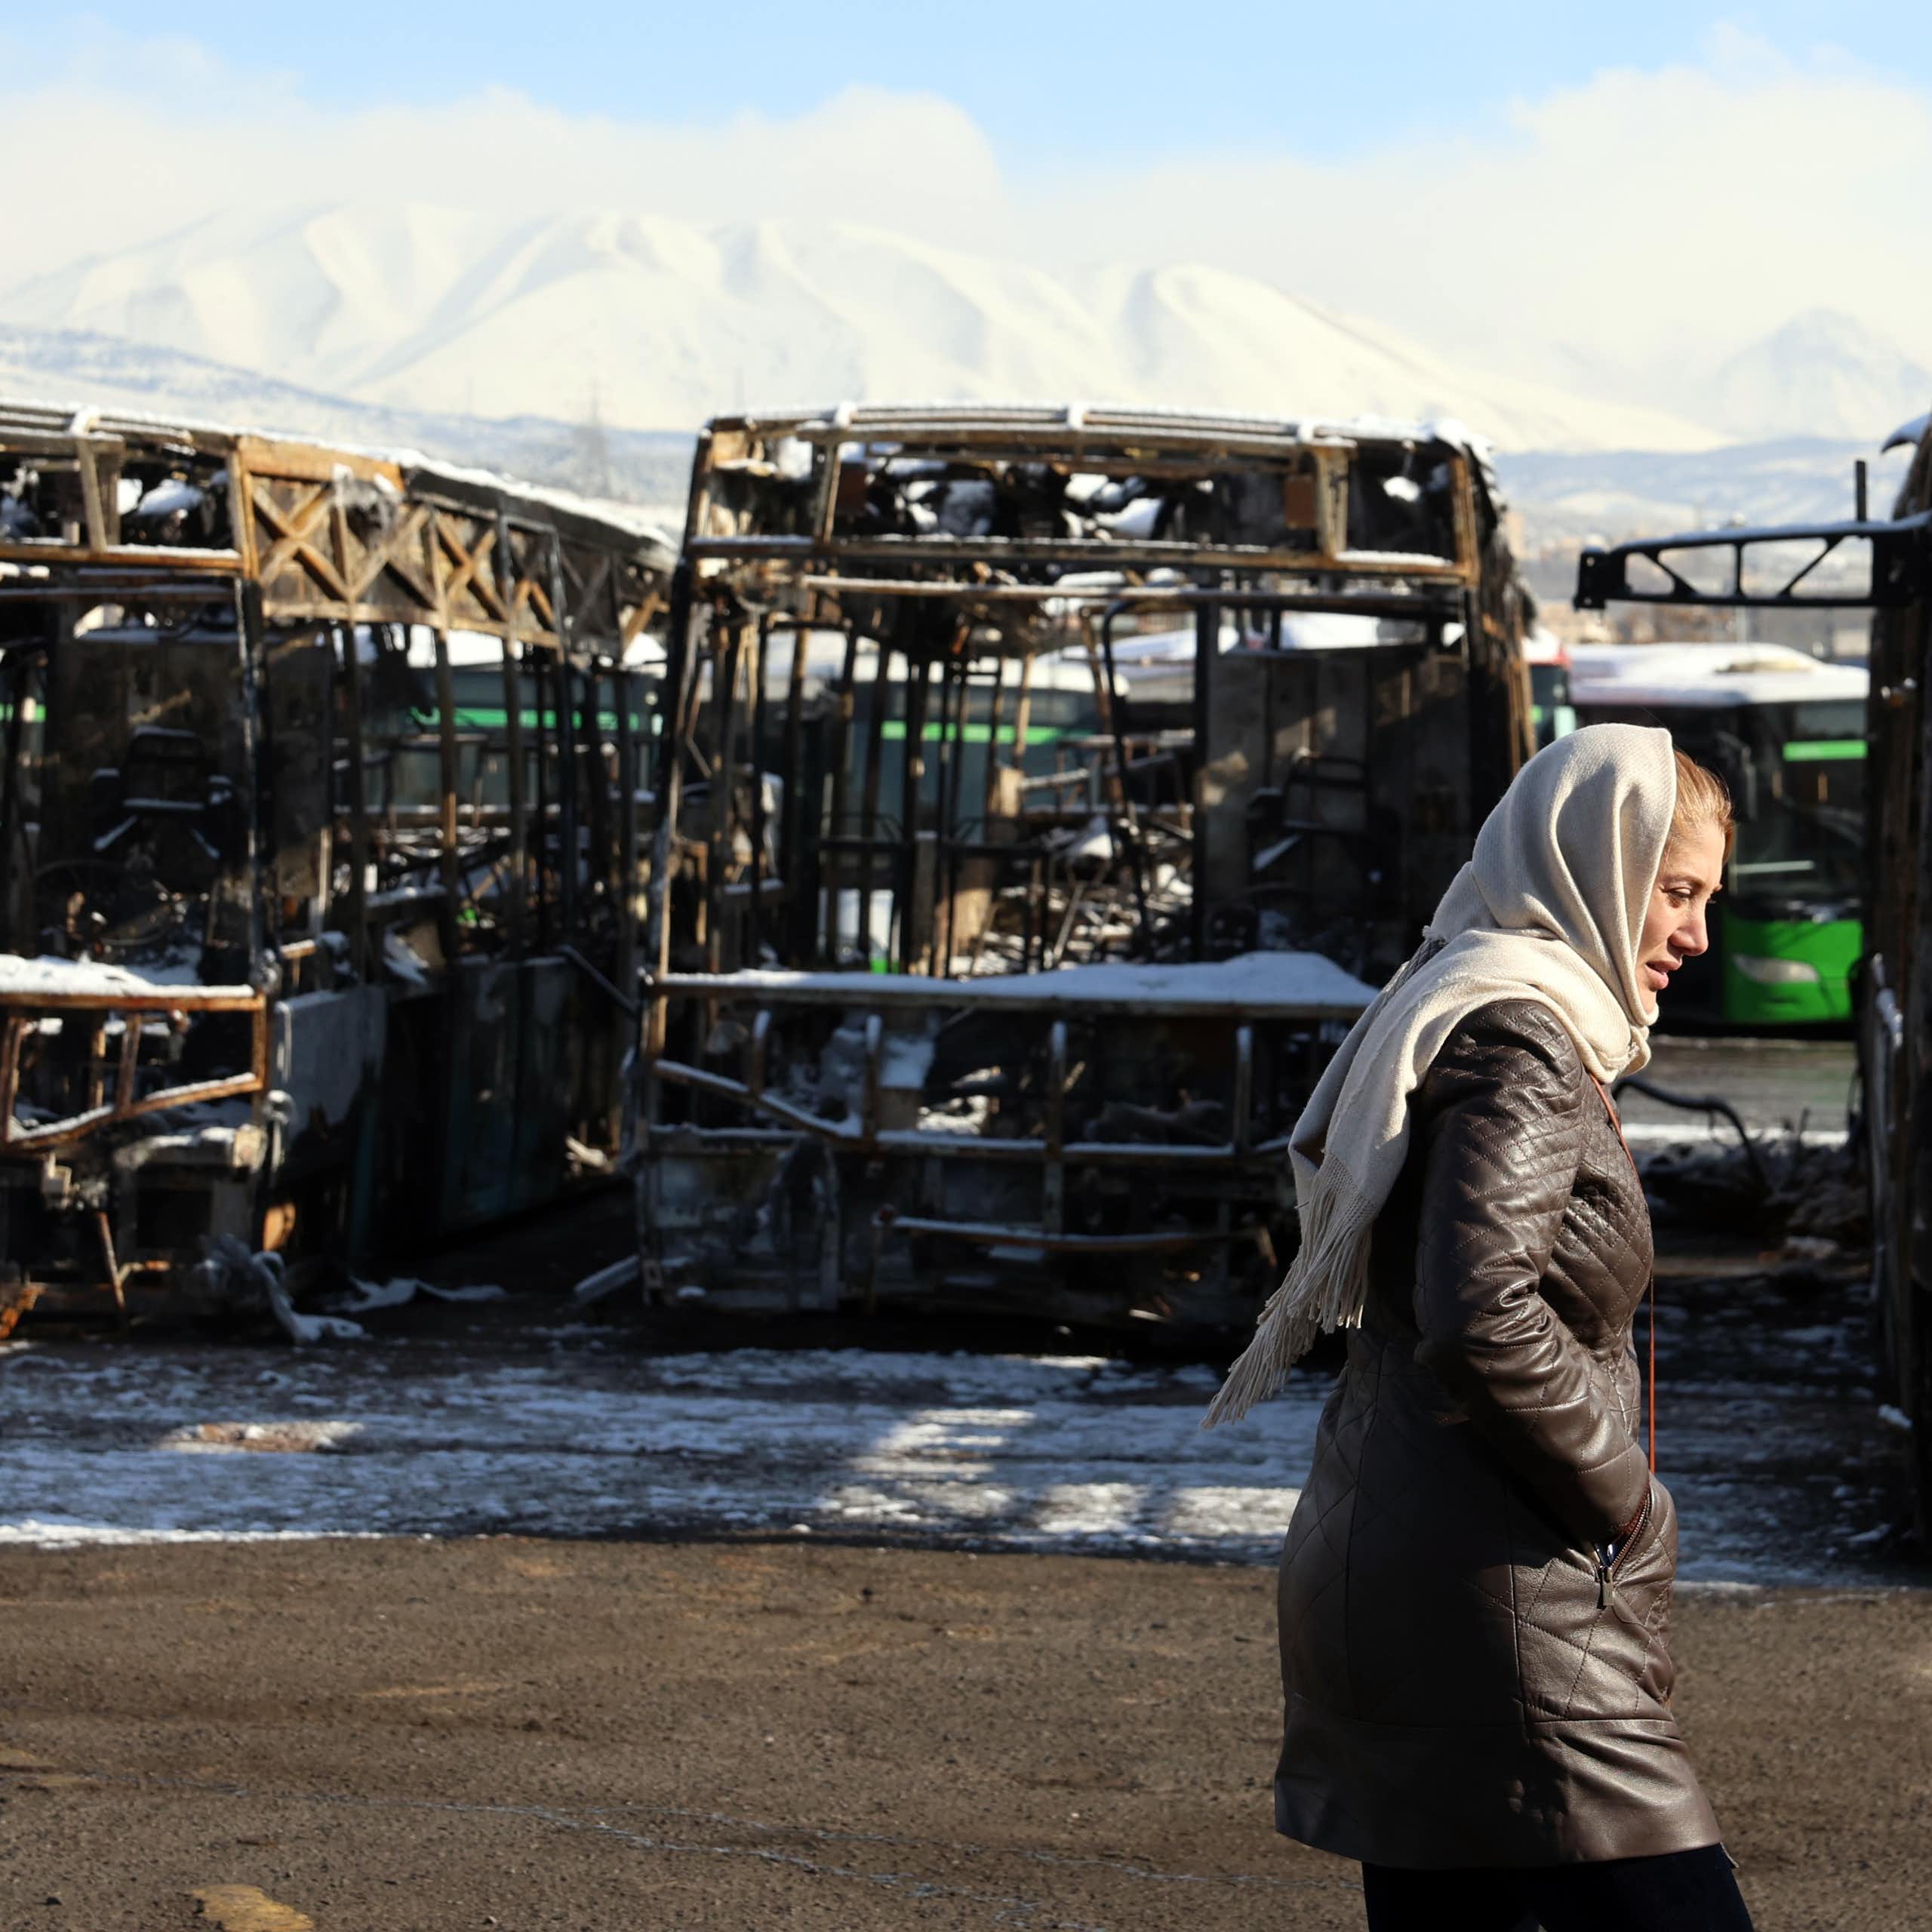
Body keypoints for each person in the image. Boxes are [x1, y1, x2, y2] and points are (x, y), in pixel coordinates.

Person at [1205, 724, 1754, 1930]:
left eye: (1705, 898)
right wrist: (1627, 1497)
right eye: (1676, 892)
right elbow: (1482, 1312)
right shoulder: (1523, 1040)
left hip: (1411, 1566)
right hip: (1505, 1618)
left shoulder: (1460, 994)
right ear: (1595, 869)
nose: (1696, 935)